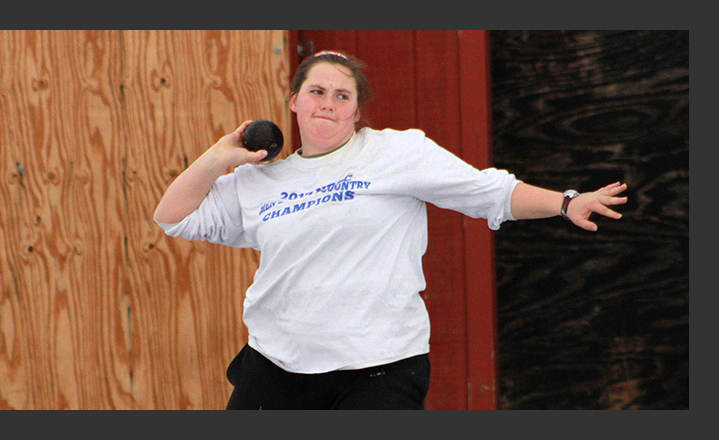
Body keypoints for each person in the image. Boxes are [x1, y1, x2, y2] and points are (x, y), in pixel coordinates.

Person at [153, 50, 628, 410]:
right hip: (276, 366)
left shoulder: (395, 154)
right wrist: (221, 155)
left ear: (357, 112)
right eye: (317, 92)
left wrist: (566, 203)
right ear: (294, 101)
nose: (328, 104)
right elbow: (172, 215)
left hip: (378, 368)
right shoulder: (258, 182)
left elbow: (489, 192)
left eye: (343, 96)